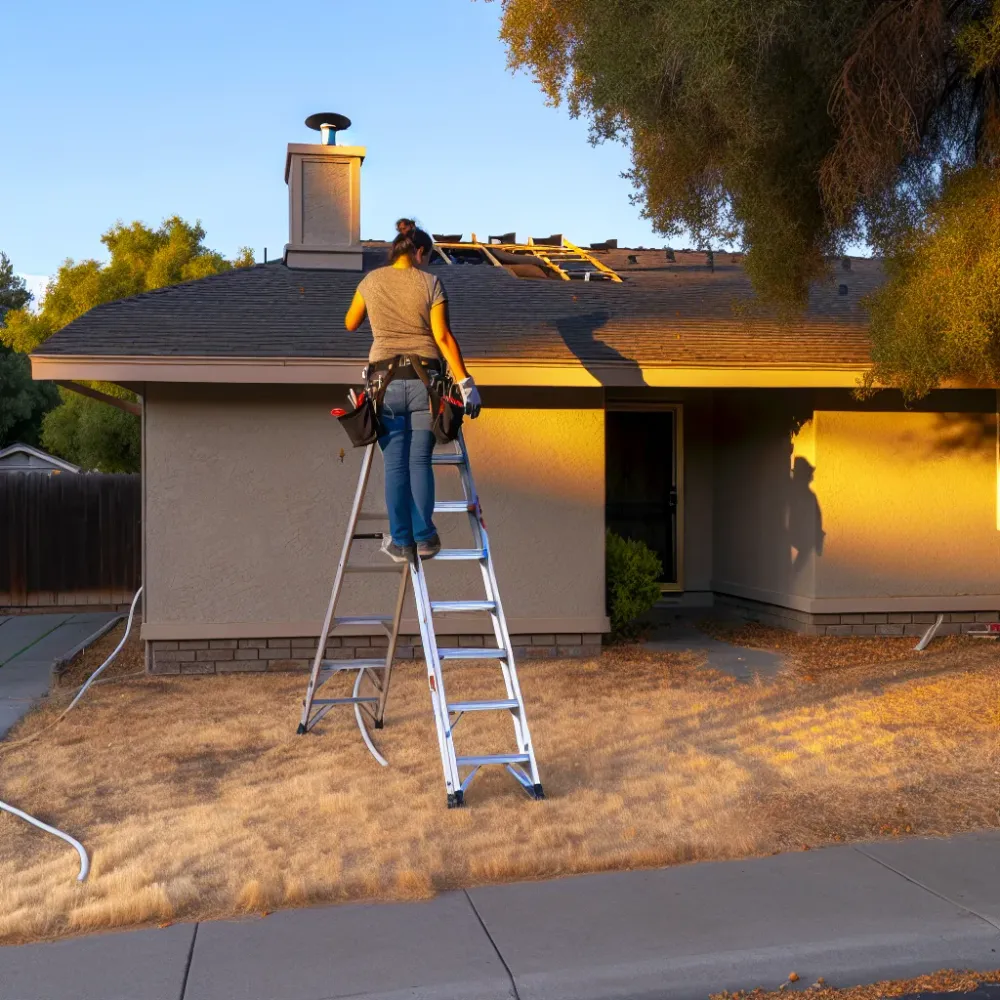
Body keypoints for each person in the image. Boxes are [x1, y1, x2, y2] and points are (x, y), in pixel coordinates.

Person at [345, 232, 482, 563]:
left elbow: (351, 322)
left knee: (395, 465)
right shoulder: (430, 283)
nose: (429, 261)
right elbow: (443, 336)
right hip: (425, 383)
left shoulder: (371, 281)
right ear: (419, 251)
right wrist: (466, 382)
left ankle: (402, 542)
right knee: (420, 461)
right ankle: (425, 539)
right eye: (429, 255)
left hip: (384, 385)